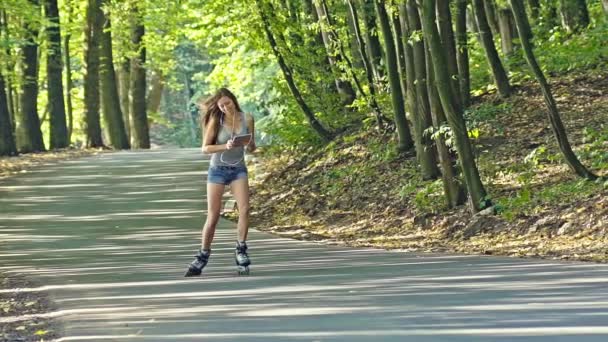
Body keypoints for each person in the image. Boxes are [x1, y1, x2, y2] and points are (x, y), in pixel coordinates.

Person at [185, 88, 256, 276]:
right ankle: (203, 254)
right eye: (221, 105)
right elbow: (205, 148)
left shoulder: (247, 118)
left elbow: (252, 147)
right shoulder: (217, 121)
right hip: (217, 170)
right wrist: (226, 145)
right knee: (213, 215)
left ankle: (241, 249)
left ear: (234, 100)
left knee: (245, 209)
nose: (226, 107)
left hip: (238, 169)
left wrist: (249, 145)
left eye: (228, 103)